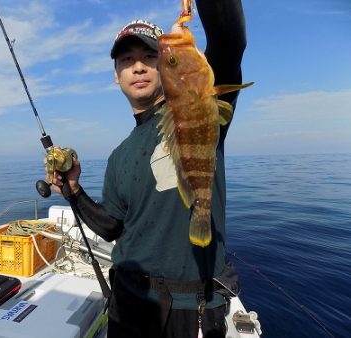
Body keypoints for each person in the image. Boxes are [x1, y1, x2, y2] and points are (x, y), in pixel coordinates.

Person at [49, 0, 247, 337]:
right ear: (116, 76)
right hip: (127, 305)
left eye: (151, 57)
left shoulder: (203, 106)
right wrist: (74, 191)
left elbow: (229, 40)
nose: (138, 67)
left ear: (165, 71)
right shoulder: (119, 155)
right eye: (127, 60)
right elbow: (112, 227)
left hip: (189, 310)